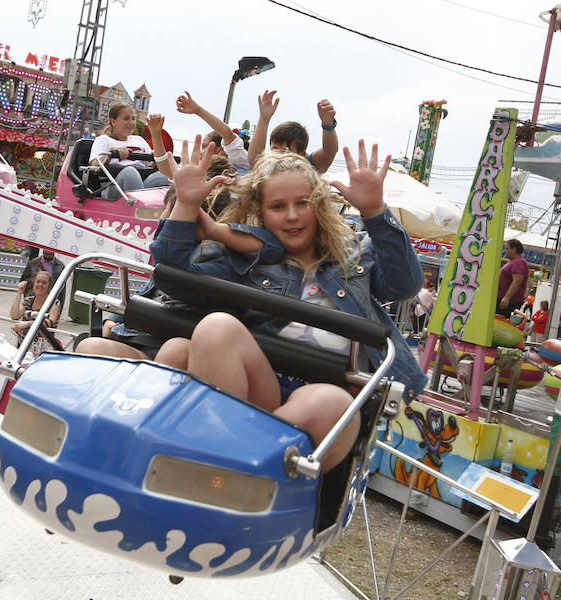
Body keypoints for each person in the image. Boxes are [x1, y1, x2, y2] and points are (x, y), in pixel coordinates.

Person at [146, 137, 426, 473]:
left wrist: (375, 213)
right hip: (264, 384)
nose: (292, 217)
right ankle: (219, 466)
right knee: (203, 335)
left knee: (330, 402)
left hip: (327, 392)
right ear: (261, 214)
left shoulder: (357, 253)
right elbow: (173, 280)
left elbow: (405, 285)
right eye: (278, 207)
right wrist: (186, 206)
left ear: (319, 205)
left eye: (302, 203)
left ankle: (225, 466)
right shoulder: (246, 259)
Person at [88, 102, 171, 200]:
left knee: (164, 176)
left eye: (133, 119)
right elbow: (94, 165)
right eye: (126, 119)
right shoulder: (104, 140)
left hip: (141, 185)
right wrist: (111, 152)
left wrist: (156, 157)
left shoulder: (139, 140)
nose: (131, 123)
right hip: (114, 187)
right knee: (130, 172)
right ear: (113, 121)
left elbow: (150, 165)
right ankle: (140, 207)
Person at [247, 91, 339, 173]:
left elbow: (329, 152)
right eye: (274, 149)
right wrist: (264, 118)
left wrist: (328, 125)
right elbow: (255, 159)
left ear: (301, 155)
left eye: (284, 151)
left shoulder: (306, 166)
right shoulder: (267, 168)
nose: (278, 156)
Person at [175, 90, 251, 174]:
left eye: (204, 146)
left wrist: (198, 110)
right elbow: (169, 171)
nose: (200, 152)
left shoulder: (239, 162)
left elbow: (228, 135)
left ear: (221, 150)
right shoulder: (199, 173)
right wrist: (157, 135)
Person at [11, 271, 61, 358]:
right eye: (38, 281)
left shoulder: (54, 303)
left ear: (49, 287)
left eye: (44, 283)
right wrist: (19, 293)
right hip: (23, 346)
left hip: (43, 349)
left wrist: (27, 323)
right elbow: (14, 315)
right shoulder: (28, 300)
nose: (40, 285)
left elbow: (49, 322)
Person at [497, 239, 528, 318]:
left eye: (507, 248)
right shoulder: (513, 262)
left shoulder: (519, 262)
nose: (505, 251)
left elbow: (517, 281)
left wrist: (506, 298)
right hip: (504, 299)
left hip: (509, 302)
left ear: (514, 249)